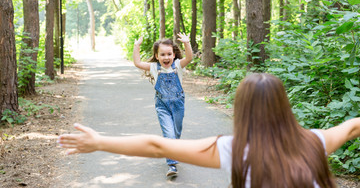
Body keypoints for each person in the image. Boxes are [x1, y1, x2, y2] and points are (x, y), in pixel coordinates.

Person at [58, 73, 360, 187]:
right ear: (284, 106)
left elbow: (158, 146)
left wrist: (100, 142)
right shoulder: (315, 142)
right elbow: (351, 127)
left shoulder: (234, 149)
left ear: (242, 110)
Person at [132, 33, 193, 177]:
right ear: (157, 56)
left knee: (176, 133)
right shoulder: (154, 67)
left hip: (178, 105)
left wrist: (187, 43)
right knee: (169, 134)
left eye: (169, 54)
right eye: (162, 54)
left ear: (173, 55)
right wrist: (137, 46)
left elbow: (189, 58)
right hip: (162, 106)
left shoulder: (177, 65)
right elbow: (138, 63)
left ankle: (174, 150)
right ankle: (172, 165)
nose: (166, 57)